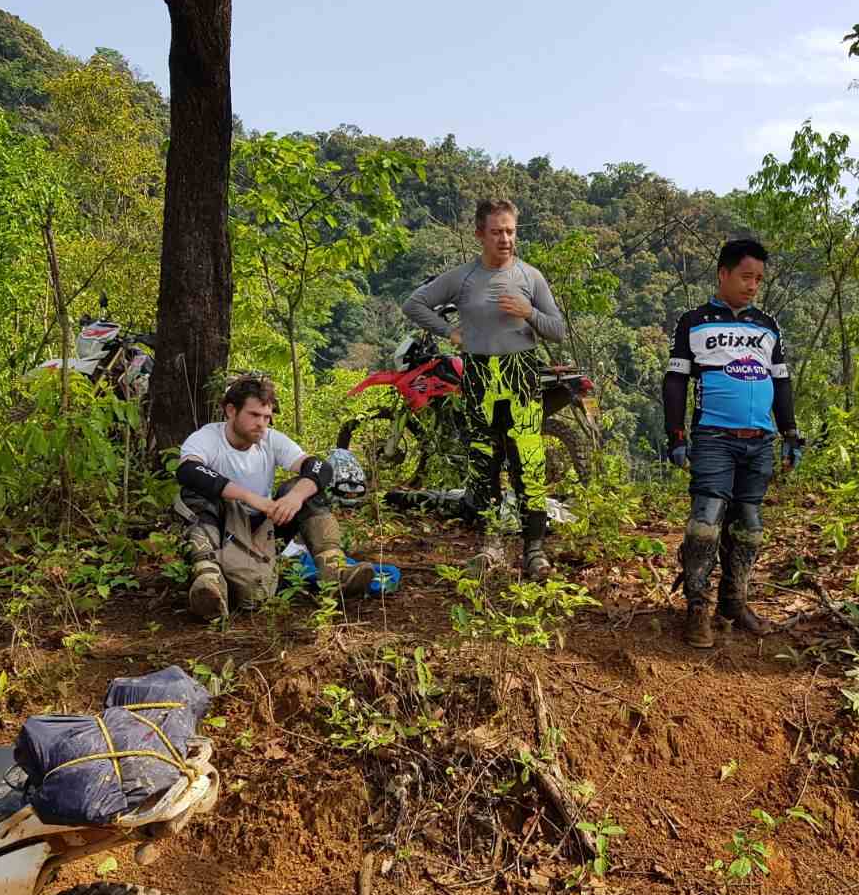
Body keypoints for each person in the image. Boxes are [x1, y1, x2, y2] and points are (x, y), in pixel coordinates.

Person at [401, 198, 568, 578]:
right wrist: (450, 332)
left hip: (521, 372)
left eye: (510, 231)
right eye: (496, 232)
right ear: (480, 234)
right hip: (478, 374)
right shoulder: (463, 277)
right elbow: (414, 304)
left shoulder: (531, 277)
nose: (505, 239)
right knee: (484, 461)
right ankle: (490, 543)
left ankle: (535, 549)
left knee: (528, 460)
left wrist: (529, 313)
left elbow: (557, 330)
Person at [663, 238, 804, 649]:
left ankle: (733, 601)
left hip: (759, 440)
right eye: (746, 276)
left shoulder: (766, 326)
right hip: (712, 437)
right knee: (705, 523)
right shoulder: (694, 321)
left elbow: (781, 381)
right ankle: (697, 608)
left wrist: (790, 432)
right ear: (723, 274)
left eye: (759, 279)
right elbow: (675, 380)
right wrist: (676, 434)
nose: (753, 285)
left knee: (749, 527)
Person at [173, 375, 374, 619]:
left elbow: (320, 467)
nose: (262, 424)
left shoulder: (270, 439)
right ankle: (208, 577)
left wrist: (295, 497)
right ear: (230, 410)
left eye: (267, 417)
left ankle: (334, 570)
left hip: (264, 524)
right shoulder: (208, 438)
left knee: (303, 488)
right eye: (254, 415)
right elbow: (188, 471)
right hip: (223, 524)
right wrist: (249, 497)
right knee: (197, 492)